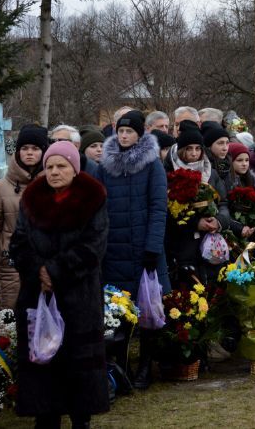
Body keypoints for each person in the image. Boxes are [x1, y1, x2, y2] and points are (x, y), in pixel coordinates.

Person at [10, 140, 109, 429]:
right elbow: (18, 243)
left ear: (74, 169)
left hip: (79, 296)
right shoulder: (31, 199)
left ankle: (82, 417)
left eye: (61, 166)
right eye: (49, 166)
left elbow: (95, 245)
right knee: (43, 361)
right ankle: (45, 416)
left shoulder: (93, 198)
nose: (54, 171)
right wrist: (37, 270)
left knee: (79, 362)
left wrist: (56, 270)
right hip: (37, 295)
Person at [94, 109, 169, 391]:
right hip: (113, 249)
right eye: (121, 131)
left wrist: (152, 247)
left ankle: (146, 366)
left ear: (140, 135)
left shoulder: (152, 164)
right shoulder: (105, 165)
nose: (124, 136)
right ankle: (121, 366)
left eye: (130, 132)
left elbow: (158, 207)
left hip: (143, 250)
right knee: (118, 310)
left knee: (149, 310)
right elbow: (99, 207)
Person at [0, 124, 49, 310]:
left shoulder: (52, 184)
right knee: (13, 324)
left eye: (35, 149)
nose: (29, 153)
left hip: (46, 267)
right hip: (11, 267)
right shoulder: (0, 187)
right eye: (24, 148)